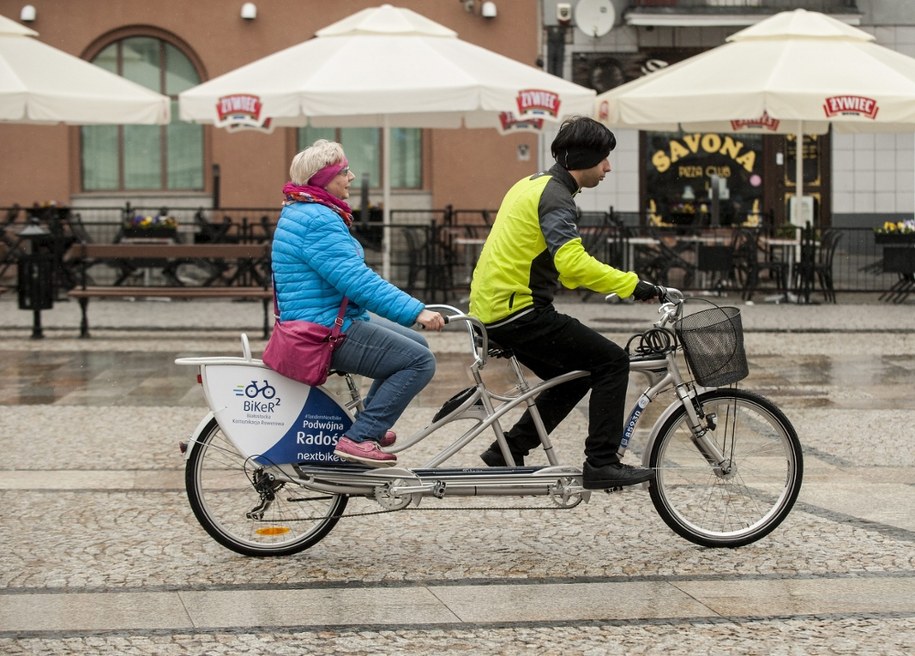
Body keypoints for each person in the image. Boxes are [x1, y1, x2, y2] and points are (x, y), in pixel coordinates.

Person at [468, 116, 662, 489]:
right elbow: (572, 266)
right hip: (517, 312)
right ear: (584, 157)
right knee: (611, 360)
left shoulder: (531, 184)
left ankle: (508, 448)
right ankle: (602, 463)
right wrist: (632, 284)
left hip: (494, 309)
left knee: (576, 373)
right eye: (604, 158)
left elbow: (568, 272)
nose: (608, 167)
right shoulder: (555, 196)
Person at [272, 139, 445, 468]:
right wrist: (415, 311)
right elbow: (356, 280)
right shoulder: (318, 220)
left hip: (318, 320)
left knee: (415, 343)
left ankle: (371, 423)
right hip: (321, 330)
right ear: (324, 179)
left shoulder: (304, 210)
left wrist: (412, 320)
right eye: (344, 172)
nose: (351, 177)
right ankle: (359, 437)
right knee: (419, 361)